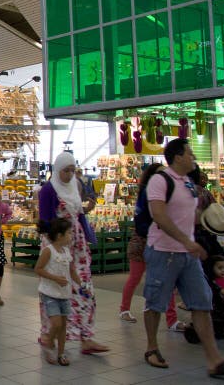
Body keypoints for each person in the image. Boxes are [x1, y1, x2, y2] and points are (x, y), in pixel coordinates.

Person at [142, 138, 224, 377]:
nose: (193, 157)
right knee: (155, 302)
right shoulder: (160, 181)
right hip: (163, 251)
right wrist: (186, 241)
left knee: (202, 302)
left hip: (188, 255)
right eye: (190, 153)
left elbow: (189, 215)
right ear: (178, 157)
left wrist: (215, 219)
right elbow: (159, 216)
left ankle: (215, 360)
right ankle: (151, 348)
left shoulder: (188, 184)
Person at [38, 152, 108, 354]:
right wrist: (57, 243)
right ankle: (48, 332)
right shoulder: (48, 191)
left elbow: (78, 215)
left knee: (84, 289)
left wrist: (85, 223)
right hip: (57, 248)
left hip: (78, 247)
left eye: (72, 170)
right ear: (57, 170)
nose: (69, 175)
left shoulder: (75, 187)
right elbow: (45, 223)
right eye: (65, 171)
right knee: (54, 290)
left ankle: (86, 336)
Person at [119, 163, 181, 329]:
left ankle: (171, 318)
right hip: (143, 242)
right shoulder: (146, 194)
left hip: (158, 241)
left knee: (166, 280)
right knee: (136, 277)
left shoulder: (165, 194)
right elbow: (141, 222)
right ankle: (124, 309)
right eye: (160, 174)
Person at [35, 218, 81, 366]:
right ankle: (48, 341)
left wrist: (81, 284)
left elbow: (71, 270)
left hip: (64, 294)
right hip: (49, 294)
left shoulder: (66, 251)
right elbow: (38, 269)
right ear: (60, 235)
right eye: (69, 233)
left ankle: (61, 353)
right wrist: (55, 278)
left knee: (63, 326)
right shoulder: (48, 251)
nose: (71, 236)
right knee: (56, 323)